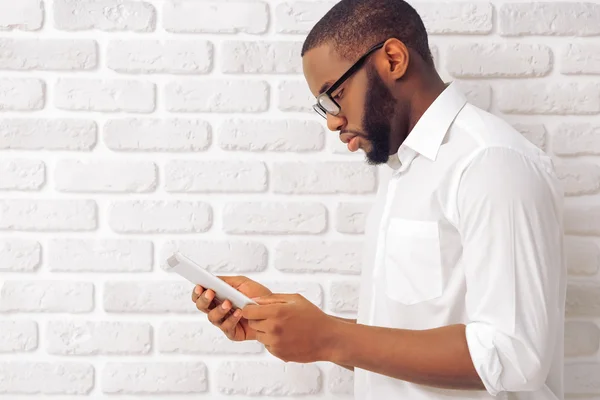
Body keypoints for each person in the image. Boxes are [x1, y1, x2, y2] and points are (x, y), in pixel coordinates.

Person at [191, 0, 567, 399]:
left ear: (392, 59)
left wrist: (328, 337)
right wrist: (292, 325)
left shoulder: (490, 162)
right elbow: (403, 341)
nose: (333, 120)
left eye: (335, 95)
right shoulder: (405, 170)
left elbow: (512, 357)